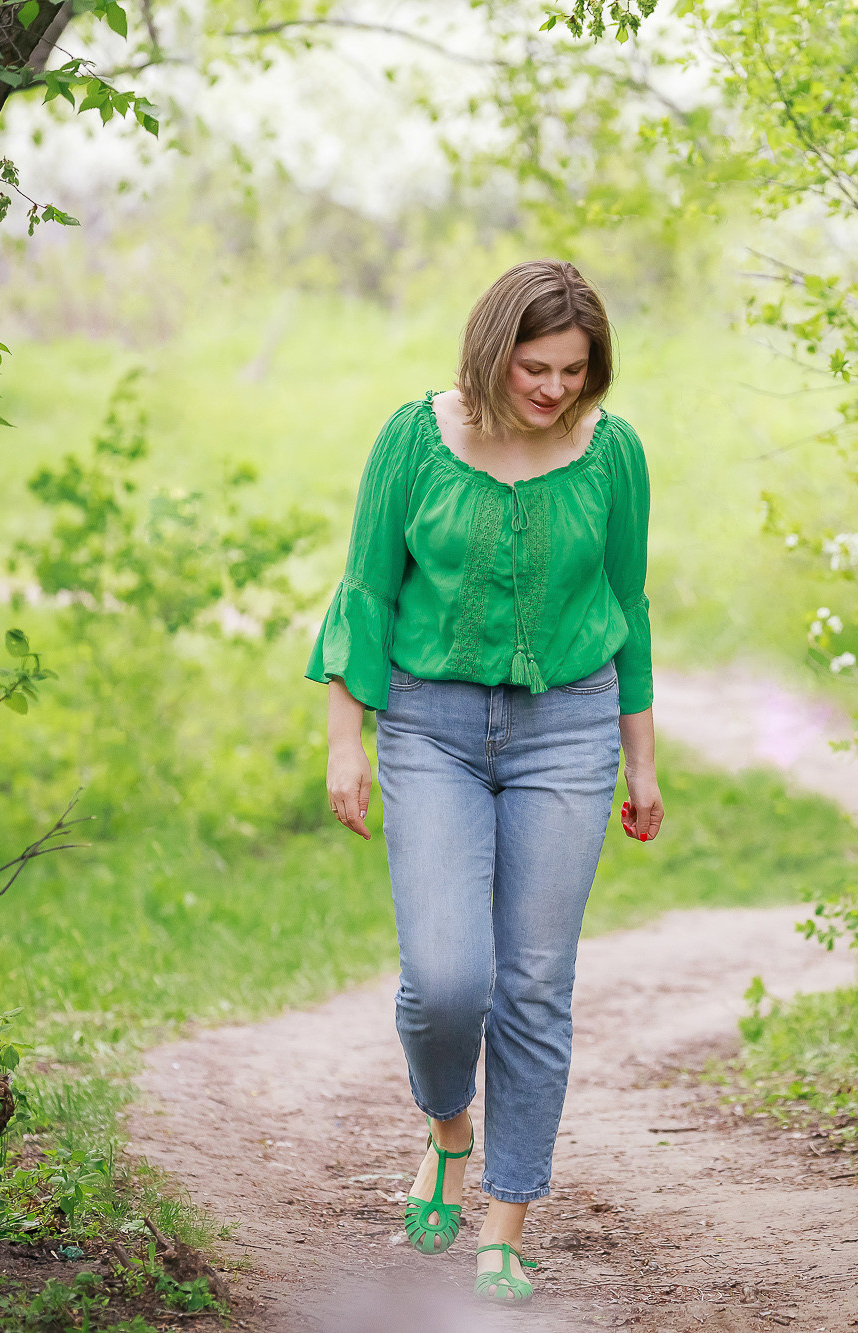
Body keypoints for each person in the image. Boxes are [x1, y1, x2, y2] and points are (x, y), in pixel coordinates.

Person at [309, 259, 663, 1303]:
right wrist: (347, 740)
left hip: (570, 726)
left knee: (535, 984)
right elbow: (367, 591)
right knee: (445, 979)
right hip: (432, 727)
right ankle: (447, 1128)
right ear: (491, 344)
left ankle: (506, 1216)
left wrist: (640, 760)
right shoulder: (414, 438)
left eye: (574, 370)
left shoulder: (612, 454)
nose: (554, 388)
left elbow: (628, 607)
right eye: (535, 364)